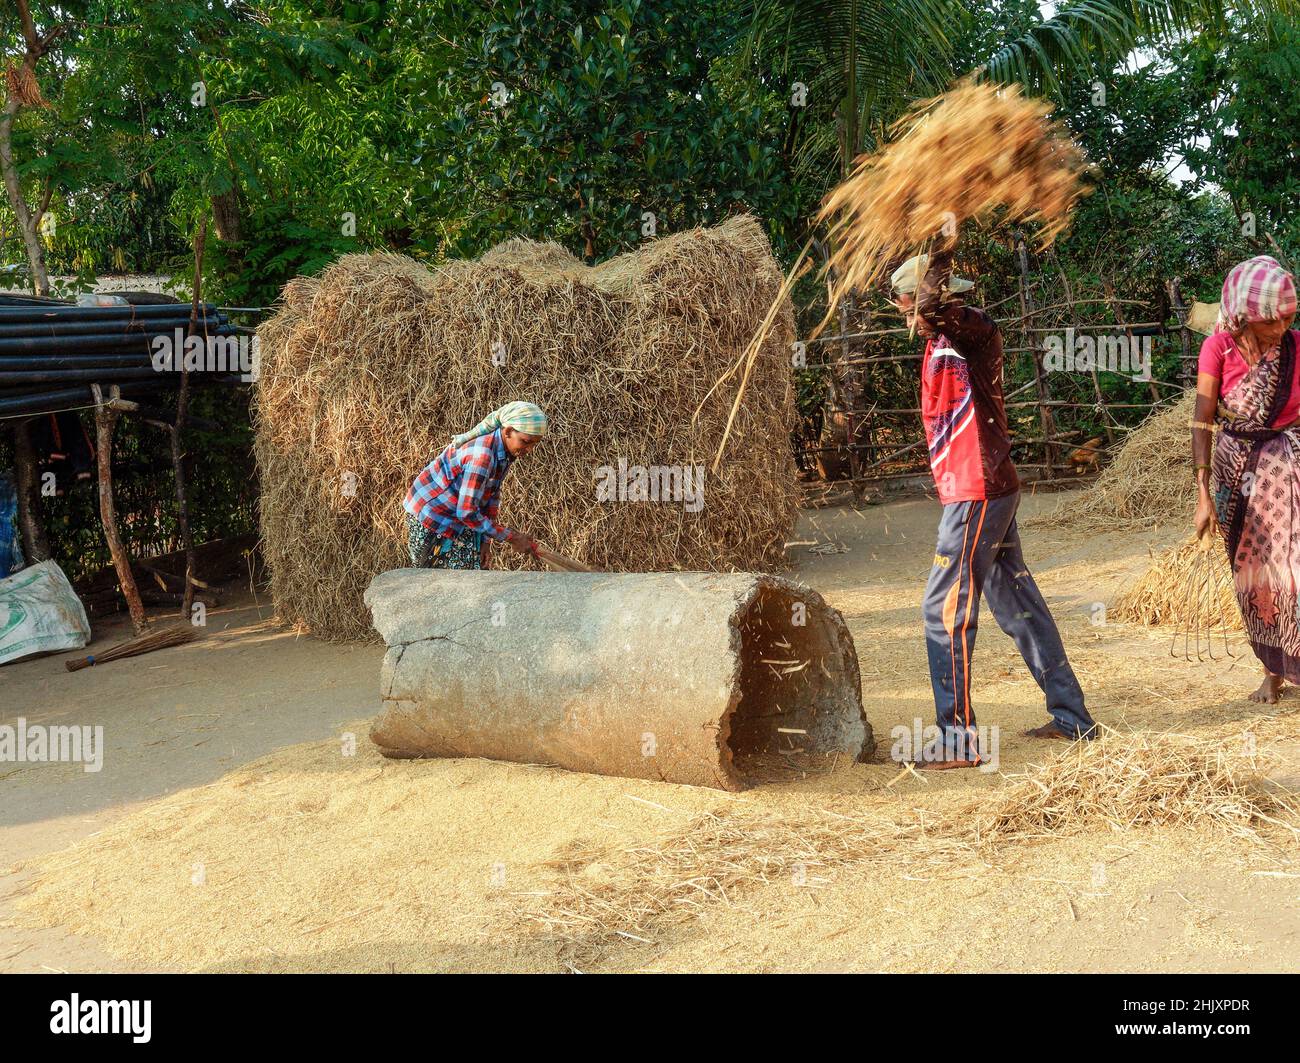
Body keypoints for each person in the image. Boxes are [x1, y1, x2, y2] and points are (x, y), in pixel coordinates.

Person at [892, 231, 1097, 769]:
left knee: (944, 610)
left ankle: (957, 741)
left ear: (921, 299)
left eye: (906, 300)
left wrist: (937, 248)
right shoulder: (945, 339)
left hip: (978, 491)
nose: (904, 312)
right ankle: (1073, 718)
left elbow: (939, 309)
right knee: (1018, 604)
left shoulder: (969, 329)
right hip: (986, 488)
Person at [1192, 254, 1300, 704]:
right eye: (1272, 323)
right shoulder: (1216, 349)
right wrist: (1202, 494)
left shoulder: (1296, 349)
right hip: (1235, 472)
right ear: (1243, 317)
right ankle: (1272, 672)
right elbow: (1201, 421)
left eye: (1288, 320)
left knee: (1293, 570)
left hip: (1288, 465)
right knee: (1254, 573)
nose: (1281, 331)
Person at [403, 401, 547, 570]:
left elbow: (490, 496)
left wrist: (485, 541)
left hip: (459, 511)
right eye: (526, 441)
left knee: (473, 569)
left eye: (533, 444)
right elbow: (467, 512)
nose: (529, 449)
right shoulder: (482, 457)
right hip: (433, 516)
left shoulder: (505, 452)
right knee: (440, 581)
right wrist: (513, 538)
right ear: (507, 431)